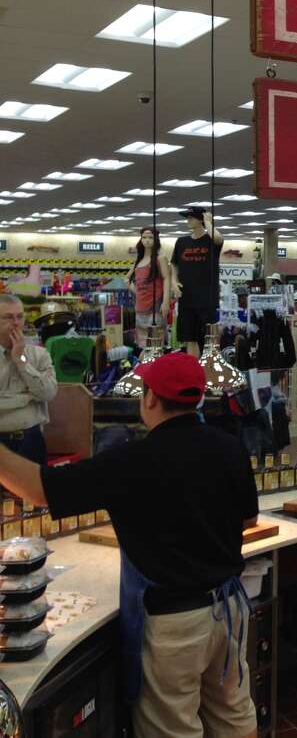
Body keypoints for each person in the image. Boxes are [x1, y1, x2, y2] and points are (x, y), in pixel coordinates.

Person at [0, 352, 258, 735]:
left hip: (174, 625)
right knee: (235, 717)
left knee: (173, 729)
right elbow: (248, 519)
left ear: (150, 398)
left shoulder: (131, 460)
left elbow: (40, 490)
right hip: (229, 611)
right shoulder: (229, 446)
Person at [0, 294, 56, 464]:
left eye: (20, 316)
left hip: (31, 442)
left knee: (35, 491)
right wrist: (28, 398)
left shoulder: (39, 355)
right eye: (8, 317)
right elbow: (39, 393)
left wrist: (21, 361)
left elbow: (48, 393)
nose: (16, 322)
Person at [171, 208, 224, 357]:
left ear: (200, 219)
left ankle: (210, 370)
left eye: (191, 217)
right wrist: (174, 282)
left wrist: (209, 222)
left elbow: (219, 238)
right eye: (187, 217)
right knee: (190, 338)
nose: (188, 220)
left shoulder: (211, 241)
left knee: (210, 338)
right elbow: (174, 264)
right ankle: (193, 372)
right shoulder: (182, 242)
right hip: (186, 297)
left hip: (207, 298)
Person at [127, 227, 172, 345]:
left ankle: (150, 363)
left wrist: (166, 301)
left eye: (150, 237)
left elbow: (167, 278)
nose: (147, 240)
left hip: (156, 305)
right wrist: (136, 290)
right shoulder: (139, 261)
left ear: (156, 239)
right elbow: (127, 279)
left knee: (156, 343)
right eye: (144, 237)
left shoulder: (160, 259)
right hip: (140, 307)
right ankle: (144, 363)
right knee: (143, 343)